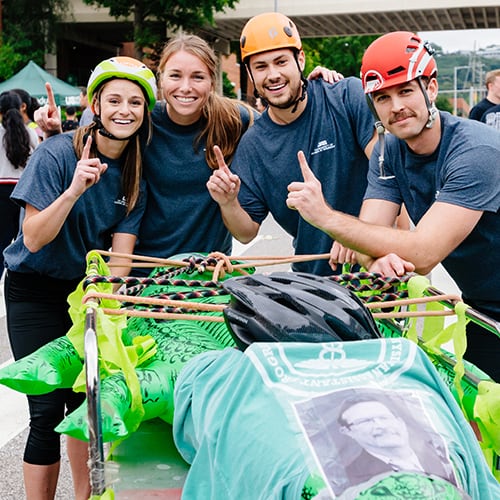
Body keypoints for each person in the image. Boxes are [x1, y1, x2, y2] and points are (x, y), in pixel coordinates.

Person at [286, 31, 500, 381]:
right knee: (480, 415)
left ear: (430, 89)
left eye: (405, 90)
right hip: (482, 305)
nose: (396, 106)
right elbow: (371, 236)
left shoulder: (476, 151)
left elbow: (424, 253)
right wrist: (375, 255)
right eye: (382, 97)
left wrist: (325, 217)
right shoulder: (388, 151)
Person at [3, 56, 156, 500]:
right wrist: (74, 190)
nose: (124, 110)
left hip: (84, 294)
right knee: (46, 412)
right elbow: (32, 238)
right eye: (114, 100)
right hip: (33, 290)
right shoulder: (55, 154)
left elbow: (121, 257)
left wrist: (105, 295)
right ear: (95, 104)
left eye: (135, 102)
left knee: (84, 410)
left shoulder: (134, 173)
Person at [207, 12, 378, 276]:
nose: (273, 74)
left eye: (281, 61)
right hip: (312, 283)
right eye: (261, 66)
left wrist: (357, 232)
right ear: (250, 74)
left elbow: (386, 173)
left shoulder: (345, 97)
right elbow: (245, 232)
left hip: (377, 272)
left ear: (300, 60)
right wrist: (228, 203)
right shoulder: (253, 145)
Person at [132, 34, 257, 272]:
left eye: (197, 77)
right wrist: (54, 132)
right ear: (160, 79)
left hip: (207, 274)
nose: (186, 87)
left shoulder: (235, 120)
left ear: (212, 81)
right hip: (145, 272)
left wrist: (321, 87)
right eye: (175, 75)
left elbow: (287, 125)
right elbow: (97, 141)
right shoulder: (142, 121)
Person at [337, 394, 457, 492]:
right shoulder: (351, 478)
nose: (381, 426)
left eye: (384, 418)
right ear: (347, 431)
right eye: (365, 421)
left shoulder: (441, 451)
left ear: (400, 422)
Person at [0, 91, 39, 279]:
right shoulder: (30, 132)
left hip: (1, 191)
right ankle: (18, 283)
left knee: (1, 242)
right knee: (24, 243)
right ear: (21, 107)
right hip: (24, 192)